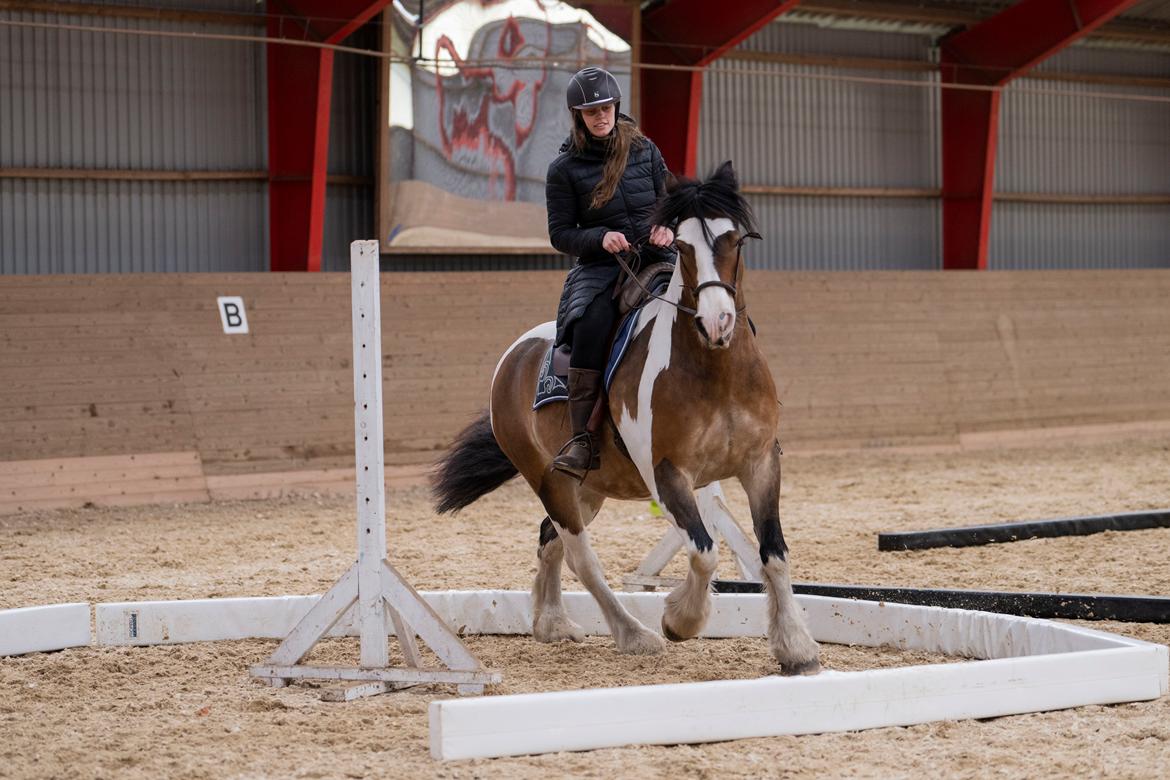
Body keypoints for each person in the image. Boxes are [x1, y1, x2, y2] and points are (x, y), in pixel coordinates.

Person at [545, 66, 676, 479]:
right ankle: (583, 437)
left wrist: (667, 226)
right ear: (577, 115)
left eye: (606, 107)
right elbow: (560, 233)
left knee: (713, 299)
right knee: (592, 324)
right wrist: (600, 238)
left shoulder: (646, 151)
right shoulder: (563, 169)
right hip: (603, 268)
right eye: (591, 111)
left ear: (616, 106)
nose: (601, 116)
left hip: (658, 257)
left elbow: (671, 200)